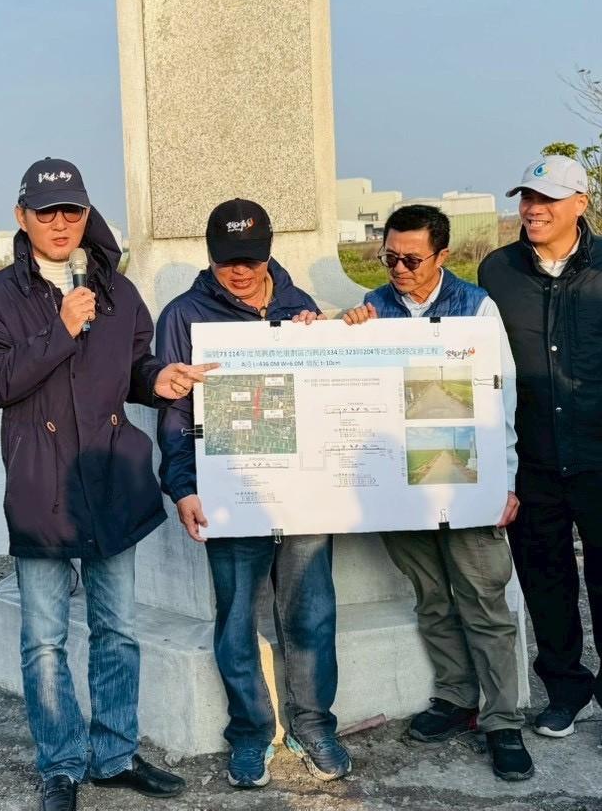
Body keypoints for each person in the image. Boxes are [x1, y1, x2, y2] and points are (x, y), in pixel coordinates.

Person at [0, 158, 207, 811]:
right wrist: (61, 329)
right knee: (44, 640)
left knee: (117, 629)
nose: (60, 224)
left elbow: (134, 365)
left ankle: (115, 753)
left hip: (111, 480)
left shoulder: (117, 292)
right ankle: (61, 763)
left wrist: (158, 381)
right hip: (42, 488)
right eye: (46, 212)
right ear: (22, 217)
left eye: (71, 211)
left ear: (85, 215)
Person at [157, 199, 353, 789]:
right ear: (209, 254)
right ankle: (249, 732)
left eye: (249, 259)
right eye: (226, 260)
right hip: (232, 491)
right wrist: (183, 487)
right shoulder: (183, 315)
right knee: (237, 618)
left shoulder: (300, 305)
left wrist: (328, 338)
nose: (239, 271)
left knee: (312, 612)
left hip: (302, 493)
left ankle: (314, 725)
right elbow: (175, 413)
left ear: (269, 251)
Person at [338, 203, 532, 781]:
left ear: (442, 255)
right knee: (431, 596)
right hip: (400, 486)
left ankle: (503, 720)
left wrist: (505, 480)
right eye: (390, 258)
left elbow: (502, 398)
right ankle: (455, 697)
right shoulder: (373, 307)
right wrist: (344, 333)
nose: (399, 269)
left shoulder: (477, 306)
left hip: (465, 477)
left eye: (412, 259)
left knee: (483, 600)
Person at [478, 155, 602, 749]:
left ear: (580, 203)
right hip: (533, 456)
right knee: (545, 580)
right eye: (527, 198)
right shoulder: (497, 270)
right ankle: (564, 690)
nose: (533, 210)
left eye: (547, 199)